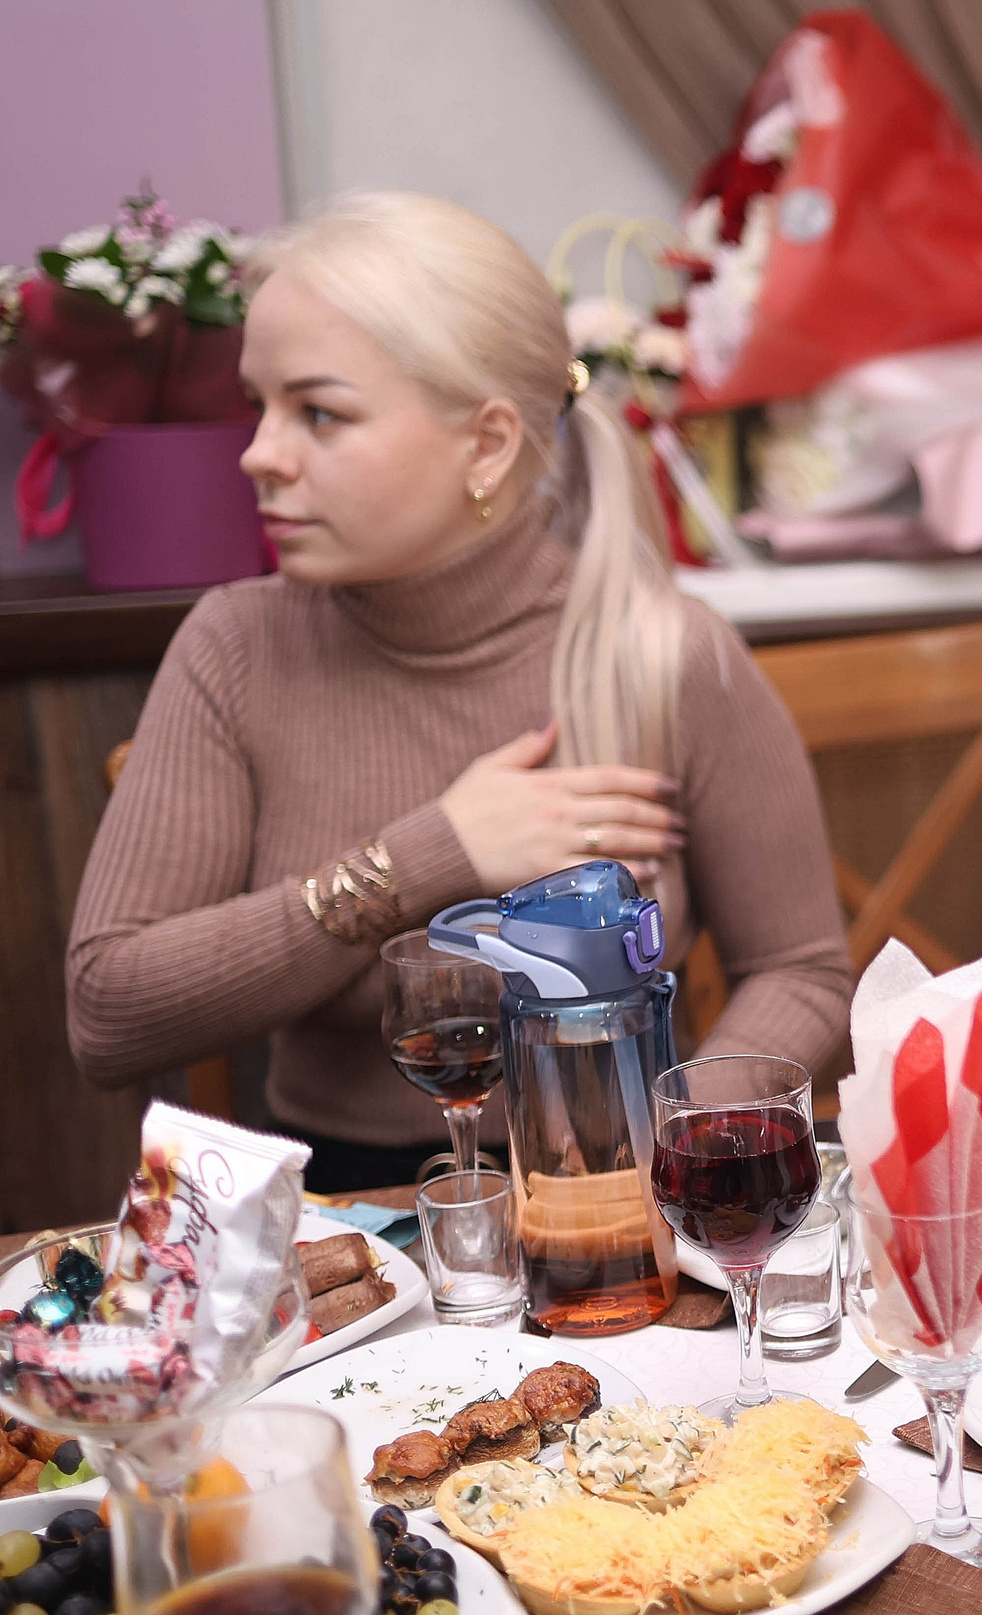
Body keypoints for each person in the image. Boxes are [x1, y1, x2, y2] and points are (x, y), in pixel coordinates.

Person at [67, 191, 851, 1192]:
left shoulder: (668, 651)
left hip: (622, 1193)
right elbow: (107, 1013)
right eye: (258, 405)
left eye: (319, 412)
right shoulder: (234, 647)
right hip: (345, 1217)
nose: (258, 452)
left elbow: (800, 969)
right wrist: (428, 855)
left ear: (485, 445)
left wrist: (676, 1141)